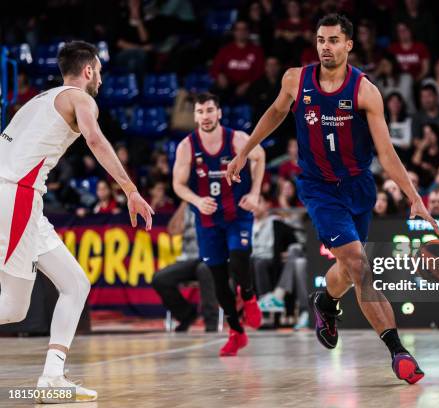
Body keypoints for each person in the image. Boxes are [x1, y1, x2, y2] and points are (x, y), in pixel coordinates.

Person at [226, 14, 439, 384]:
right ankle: (398, 352)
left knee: (347, 269)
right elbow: (276, 112)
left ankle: (325, 301)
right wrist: (245, 151)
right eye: (321, 40)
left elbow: (386, 153)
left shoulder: (364, 91)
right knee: (359, 265)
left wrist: (414, 197)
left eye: (334, 40)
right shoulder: (296, 79)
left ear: (348, 45)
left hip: (359, 187)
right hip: (319, 188)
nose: (326, 46)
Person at [0, 41, 154, 402]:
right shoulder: (81, 99)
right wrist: (130, 189)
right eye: (98, 69)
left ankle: (52, 376)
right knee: (12, 307)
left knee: (75, 284)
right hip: (16, 194)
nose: (100, 76)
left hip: (20, 197)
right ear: (88, 70)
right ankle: (51, 377)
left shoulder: (39, 99)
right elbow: (96, 140)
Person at [172, 92, 266, 357]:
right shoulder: (187, 146)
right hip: (208, 219)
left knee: (239, 257)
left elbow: (260, 157)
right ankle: (236, 332)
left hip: (237, 213)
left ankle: (248, 296)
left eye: (210, 110)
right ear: (195, 116)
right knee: (218, 279)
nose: (205, 116)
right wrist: (196, 200)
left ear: (219, 113)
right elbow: (177, 184)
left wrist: (256, 192)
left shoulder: (236, 138)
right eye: (200, 112)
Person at [152, 202, 219, 332]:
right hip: (188, 259)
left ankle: (211, 321)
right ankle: (186, 315)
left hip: (211, 257)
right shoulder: (189, 206)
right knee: (160, 279)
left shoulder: (215, 202)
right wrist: (183, 202)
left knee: (204, 269)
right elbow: (173, 230)